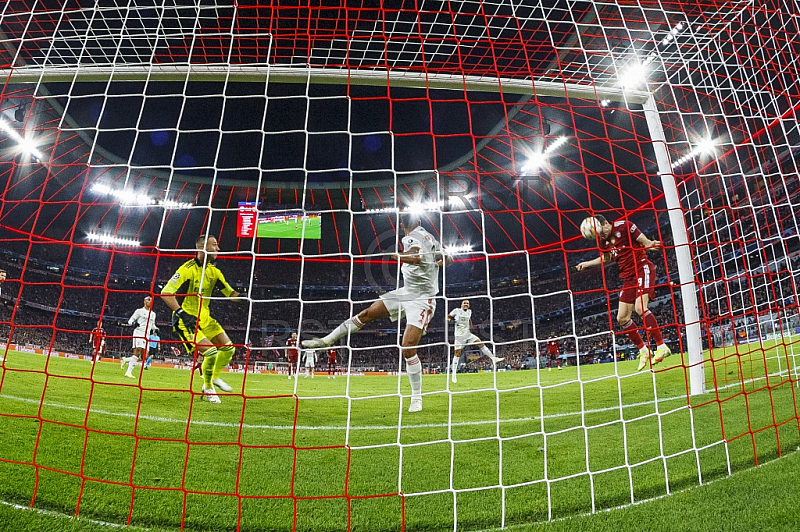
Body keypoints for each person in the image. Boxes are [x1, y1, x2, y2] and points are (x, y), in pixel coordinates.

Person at [303, 215, 453, 412]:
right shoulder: (430, 238)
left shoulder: (409, 239)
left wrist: (397, 256)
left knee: (408, 348)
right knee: (367, 313)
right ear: (419, 222)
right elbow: (449, 259)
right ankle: (326, 341)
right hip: (405, 292)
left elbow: (415, 257)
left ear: (402, 225)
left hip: (422, 299)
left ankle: (416, 398)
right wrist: (438, 263)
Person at [576, 214, 671, 371]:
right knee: (621, 318)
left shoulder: (625, 226)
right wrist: (587, 264)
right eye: (597, 234)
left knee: (640, 308)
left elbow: (644, 241)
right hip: (628, 278)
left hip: (642, 268)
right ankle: (643, 350)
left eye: (601, 231)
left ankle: (661, 346)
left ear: (606, 223)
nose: (601, 235)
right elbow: (606, 259)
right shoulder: (603, 241)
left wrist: (649, 244)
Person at [161, 234, 243, 403]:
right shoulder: (187, 269)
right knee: (211, 352)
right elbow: (166, 293)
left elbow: (230, 294)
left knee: (229, 349)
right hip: (187, 321)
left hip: (205, 318)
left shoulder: (214, 272)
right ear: (201, 248)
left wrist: (244, 296)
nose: (218, 249)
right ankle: (208, 387)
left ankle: (213, 377)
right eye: (214, 245)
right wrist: (181, 313)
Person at [447, 299, 503, 383]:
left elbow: (469, 319)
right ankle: (454, 374)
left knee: (481, 344)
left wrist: (471, 327)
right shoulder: (456, 311)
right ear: (461, 305)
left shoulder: (469, 311)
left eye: (467, 303)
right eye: (464, 303)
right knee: (457, 354)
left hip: (468, 334)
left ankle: (493, 358)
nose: (466, 304)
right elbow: (448, 316)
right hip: (459, 336)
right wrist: (450, 320)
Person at [122, 296, 157, 378]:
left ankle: (126, 360)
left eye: (151, 300)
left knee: (144, 356)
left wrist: (156, 329)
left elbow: (152, 325)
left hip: (147, 335)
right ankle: (128, 372)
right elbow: (130, 320)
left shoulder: (153, 314)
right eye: (148, 300)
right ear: (144, 301)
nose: (150, 301)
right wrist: (134, 323)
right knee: (137, 351)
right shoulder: (139, 311)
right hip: (138, 333)